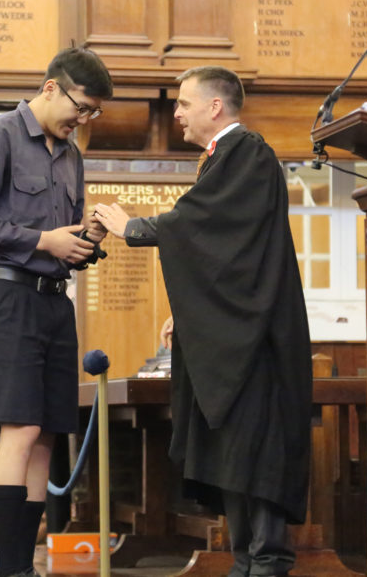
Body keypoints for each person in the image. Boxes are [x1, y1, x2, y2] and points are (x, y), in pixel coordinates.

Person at [95, 66, 312, 577]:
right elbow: (229, 256)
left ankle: (264, 562)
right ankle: (245, 562)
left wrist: (134, 227)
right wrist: (189, 310)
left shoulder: (248, 152)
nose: (176, 114)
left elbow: (206, 225)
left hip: (255, 346)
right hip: (233, 333)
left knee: (252, 453)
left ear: (215, 107)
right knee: (231, 453)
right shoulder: (224, 159)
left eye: (184, 104)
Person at [0, 46, 113, 577]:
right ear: (51, 88)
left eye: (93, 114)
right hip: (6, 299)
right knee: (20, 430)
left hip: (54, 303)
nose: (83, 121)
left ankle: (26, 566)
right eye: (81, 108)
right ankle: (11, 570)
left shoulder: (71, 156)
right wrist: (44, 239)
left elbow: (63, 241)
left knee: (46, 433)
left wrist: (84, 239)